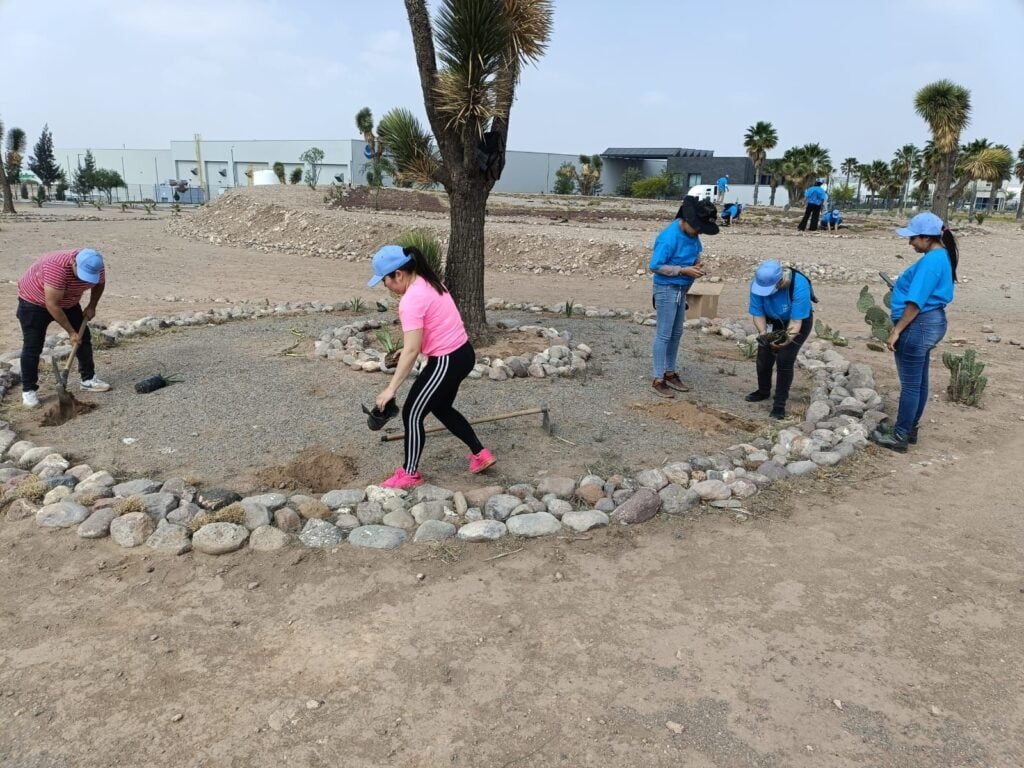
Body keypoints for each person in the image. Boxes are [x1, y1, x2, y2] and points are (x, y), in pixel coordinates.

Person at [368, 244, 494, 489]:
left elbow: (412, 350)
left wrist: (390, 389)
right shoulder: (430, 282)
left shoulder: (411, 300)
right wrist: (408, 350)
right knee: (441, 407)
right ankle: (481, 454)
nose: (385, 286)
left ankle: (410, 474)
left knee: (412, 413)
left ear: (398, 274)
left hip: (446, 360)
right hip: (463, 353)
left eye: (385, 280)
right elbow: (432, 327)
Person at [870, 213, 957, 452]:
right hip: (930, 323)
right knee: (919, 382)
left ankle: (900, 436)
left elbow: (915, 302)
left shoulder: (931, 261)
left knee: (910, 385)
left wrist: (896, 330)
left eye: (913, 238)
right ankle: (909, 429)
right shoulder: (941, 256)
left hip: (918, 325)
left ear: (927, 237)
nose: (910, 243)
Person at [16, 248, 111, 409]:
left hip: (69, 302)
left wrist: (92, 305)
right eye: (82, 274)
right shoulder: (56, 267)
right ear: (74, 263)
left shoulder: (96, 264)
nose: (84, 279)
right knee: (33, 346)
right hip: (34, 303)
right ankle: (29, 390)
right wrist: (71, 332)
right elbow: (52, 304)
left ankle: (88, 379)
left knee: (84, 338)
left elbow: (100, 284)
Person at [648, 195, 719, 398]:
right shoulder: (669, 238)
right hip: (667, 289)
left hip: (681, 290)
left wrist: (696, 265)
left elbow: (696, 252)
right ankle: (658, 378)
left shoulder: (692, 233)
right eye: (698, 228)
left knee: (677, 332)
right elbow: (655, 265)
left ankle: (669, 372)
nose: (699, 232)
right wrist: (682, 270)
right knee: (664, 334)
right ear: (687, 220)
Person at [745, 260, 814, 419]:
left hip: (796, 322)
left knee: (784, 359)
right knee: (763, 357)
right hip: (772, 321)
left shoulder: (799, 285)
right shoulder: (757, 284)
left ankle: (779, 405)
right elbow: (758, 313)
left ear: (781, 281)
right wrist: (763, 333)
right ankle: (763, 391)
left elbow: (796, 322)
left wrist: (785, 341)